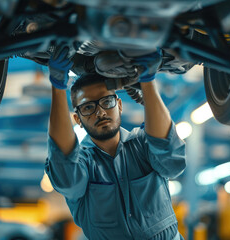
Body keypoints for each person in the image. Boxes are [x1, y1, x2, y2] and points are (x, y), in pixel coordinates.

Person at [45, 45, 186, 240]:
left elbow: (172, 162)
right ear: (77, 119)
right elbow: (66, 177)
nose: (100, 112)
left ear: (119, 105)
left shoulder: (143, 145)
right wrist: (57, 86)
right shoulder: (84, 164)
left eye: (107, 102)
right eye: (87, 107)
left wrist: (148, 81)